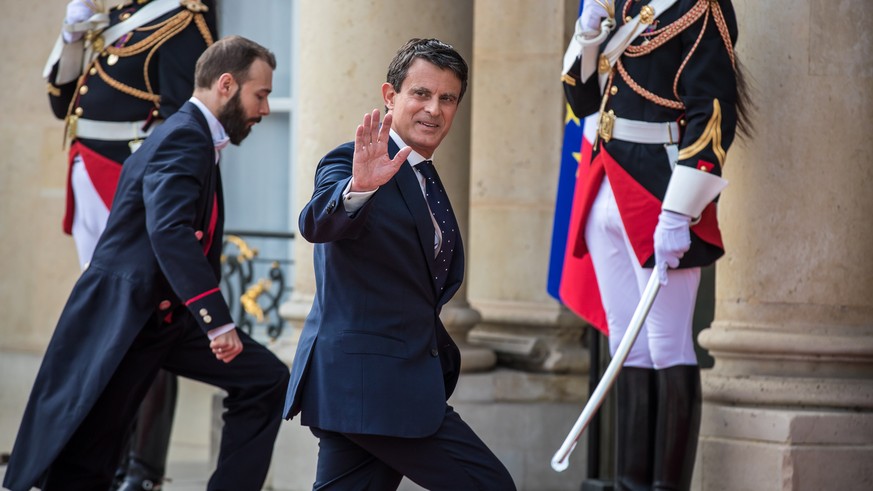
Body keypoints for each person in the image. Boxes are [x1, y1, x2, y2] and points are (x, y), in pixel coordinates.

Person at [4, 35, 290, 491]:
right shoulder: (183, 137)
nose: (265, 109)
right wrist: (217, 321)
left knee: (265, 380)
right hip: (127, 315)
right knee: (86, 458)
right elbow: (170, 232)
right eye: (262, 94)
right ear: (226, 85)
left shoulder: (195, 137)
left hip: (165, 317)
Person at [283, 38, 516, 490]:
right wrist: (358, 190)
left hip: (377, 390)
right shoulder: (353, 162)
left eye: (447, 99)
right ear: (390, 97)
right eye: (421, 94)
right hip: (374, 385)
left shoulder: (424, 174)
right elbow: (318, 221)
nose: (434, 109)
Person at [560, 0, 751, 489]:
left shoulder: (700, 7)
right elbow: (581, 100)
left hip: (659, 192)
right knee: (626, 344)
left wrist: (680, 209)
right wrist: (587, 32)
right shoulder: (624, 5)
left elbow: (713, 110)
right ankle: (630, 479)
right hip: (605, 182)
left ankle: (668, 485)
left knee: (668, 344)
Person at [44, 1, 218, 488]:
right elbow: (63, 104)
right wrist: (73, 39)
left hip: (131, 180)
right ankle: (108, 456)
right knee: (107, 325)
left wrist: (155, 187)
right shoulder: (117, 18)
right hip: (89, 173)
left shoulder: (184, 17)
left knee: (144, 322)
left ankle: (142, 469)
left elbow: (186, 118)